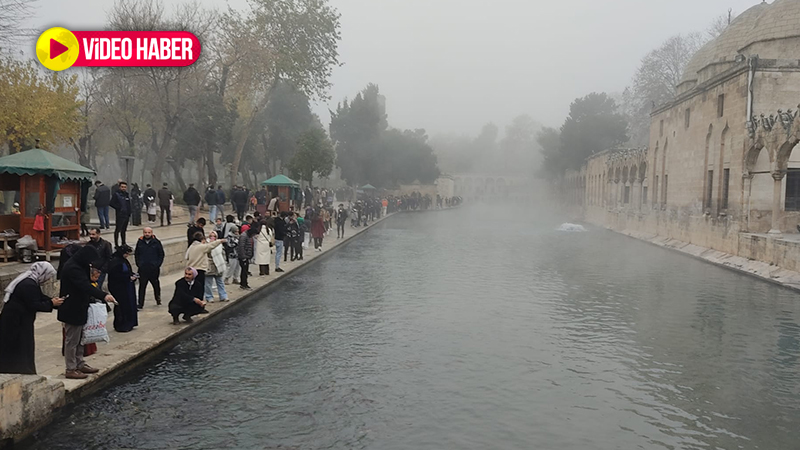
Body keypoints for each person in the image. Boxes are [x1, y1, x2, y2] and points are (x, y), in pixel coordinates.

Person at [58, 246, 115, 379]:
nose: (91, 263)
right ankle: (70, 368)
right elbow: (84, 285)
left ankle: (80, 363)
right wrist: (103, 295)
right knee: (72, 340)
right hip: (71, 307)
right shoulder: (72, 268)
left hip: (81, 306)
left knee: (81, 338)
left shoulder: (81, 265)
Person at [0, 263, 62, 374]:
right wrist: (51, 303)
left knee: (23, 345)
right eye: (47, 276)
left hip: (20, 319)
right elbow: (34, 304)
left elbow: (39, 297)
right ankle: (19, 370)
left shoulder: (31, 281)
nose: (47, 279)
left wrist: (53, 301)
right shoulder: (28, 285)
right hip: (15, 321)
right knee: (20, 346)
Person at [108, 245, 138, 333]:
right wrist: (128, 277)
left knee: (129, 305)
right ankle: (122, 325)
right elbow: (115, 276)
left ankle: (129, 323)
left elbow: (127, 271)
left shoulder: (123, 260)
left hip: (126, 286)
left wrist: (132, 275)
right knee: (121, 307)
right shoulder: (115, 262)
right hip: (119, 288)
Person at [134, 227, 164, 308]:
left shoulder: (156, 242)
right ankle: (140, 303)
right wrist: (139, 264)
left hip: (153, 269)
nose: (147, 234)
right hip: (143, 268)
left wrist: (157, 264)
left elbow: (161, 254)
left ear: (151, 233)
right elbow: (137, 254)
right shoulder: (140, 242)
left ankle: (158, 299)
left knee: (156, 285)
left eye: (148, 232)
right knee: (142, 286)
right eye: (145, 232)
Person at [204, 231, 228, 303]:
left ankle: (223, 296)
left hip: (218, 265)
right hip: (210, 265)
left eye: (214, 236)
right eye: (211, 236)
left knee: (220, 281)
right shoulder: (206, 244)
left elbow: (223, 254)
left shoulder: (219, 245)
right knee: (208, 283)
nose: (212, 237)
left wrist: (224, 262)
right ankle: (209, 297)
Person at [110, 181, 131, 248]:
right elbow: (111, 203)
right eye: (122, 187)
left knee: (124, 230)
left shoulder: (127, 194)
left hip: (126, 214)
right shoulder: (116, 194)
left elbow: (128, 204)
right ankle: (116, 244)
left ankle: (123, 243)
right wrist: (118, 208)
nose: (123, 188)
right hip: (120, 215)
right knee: (118, 229)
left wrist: (129, 212)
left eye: (125, 187)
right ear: (119, 187)